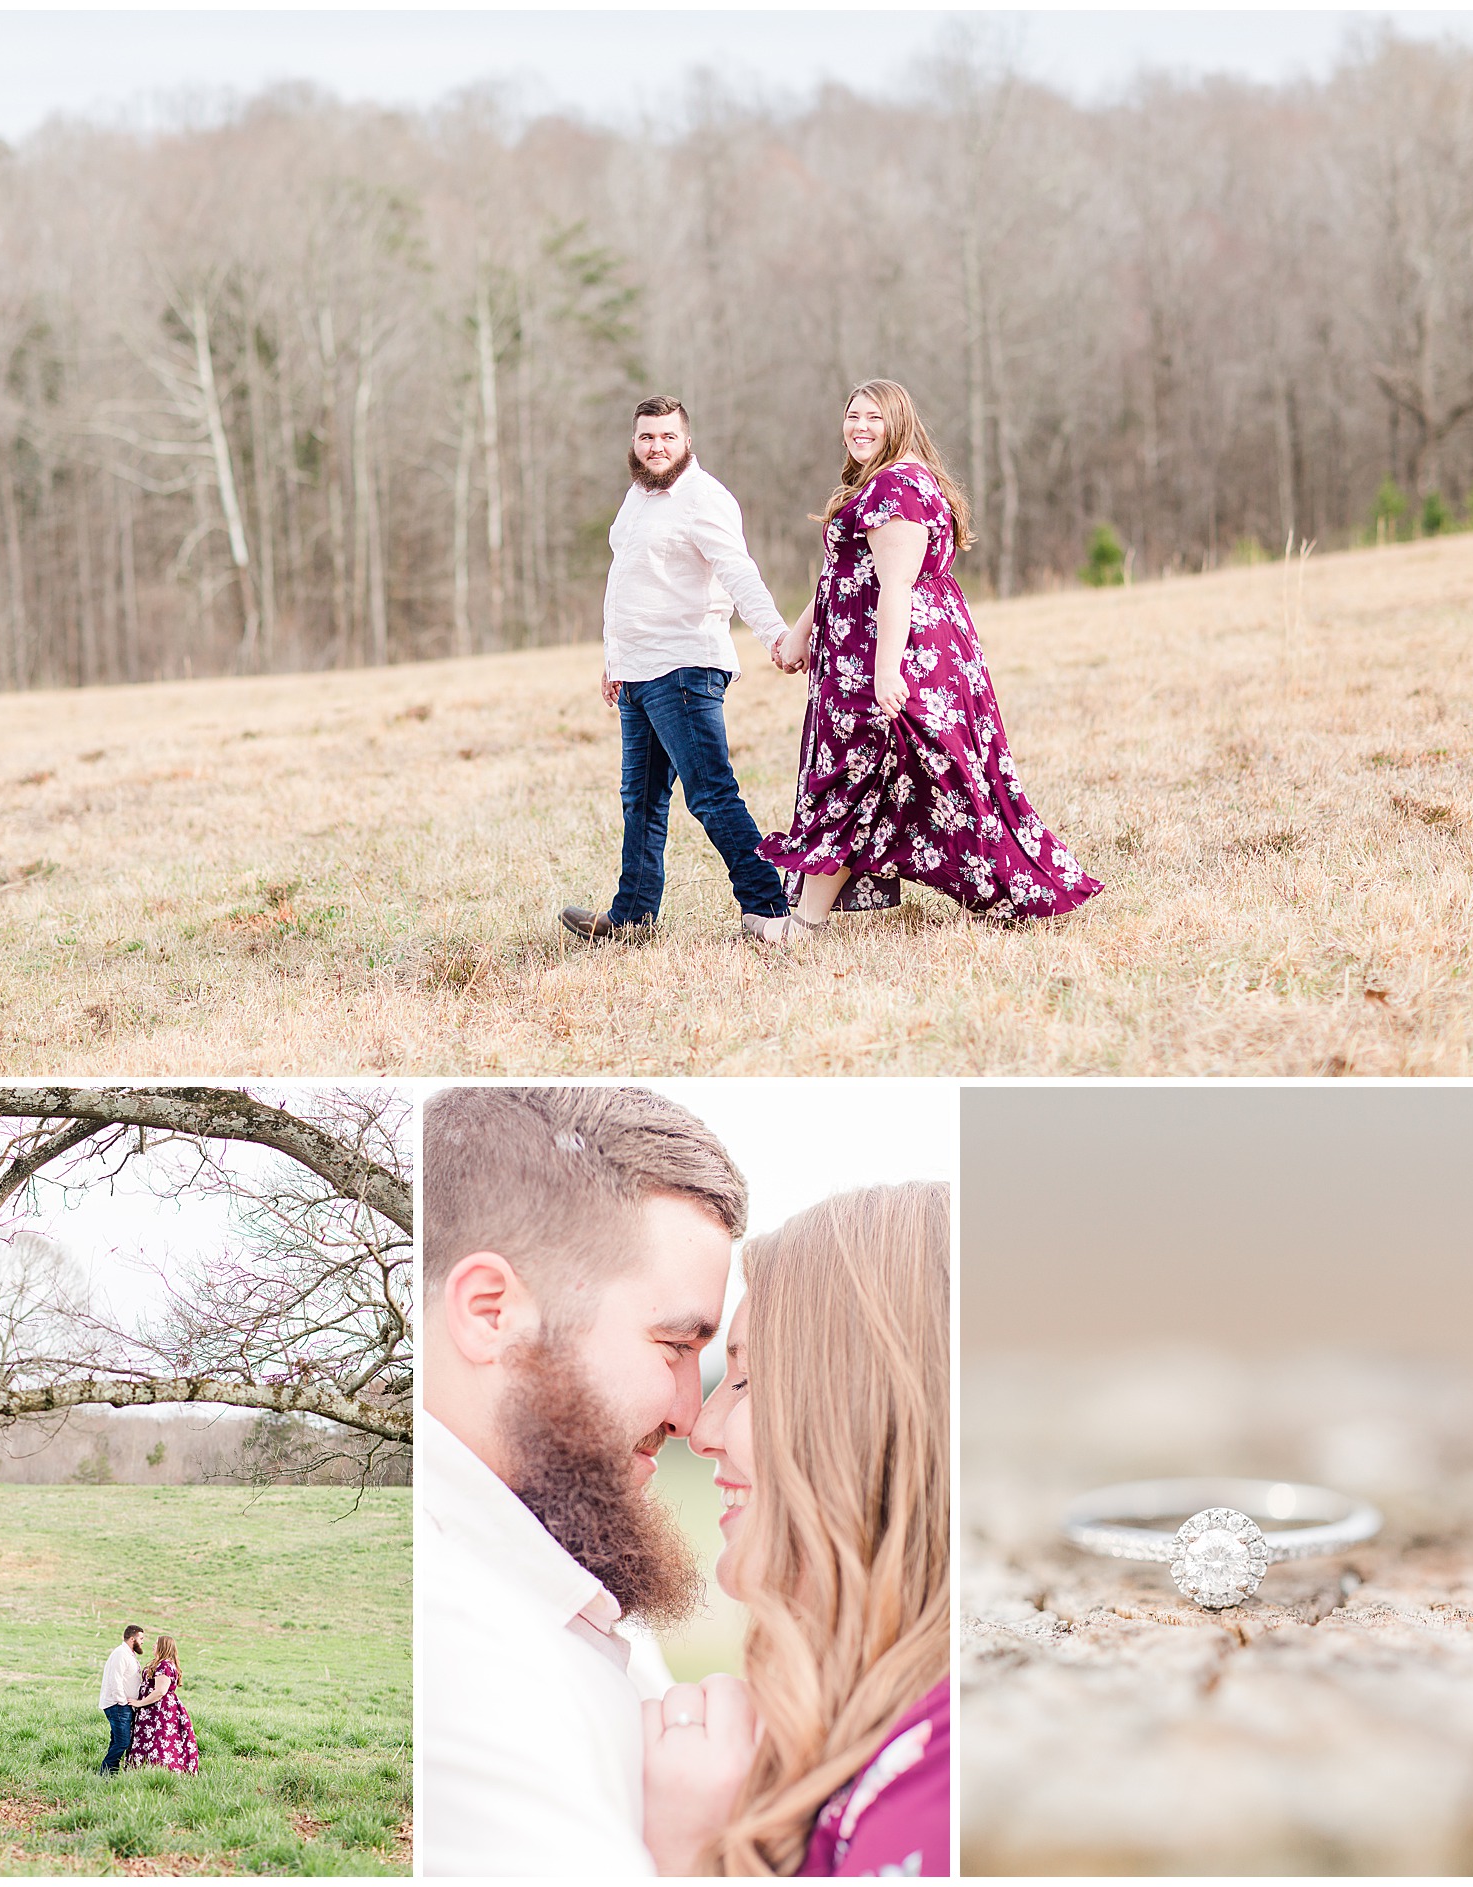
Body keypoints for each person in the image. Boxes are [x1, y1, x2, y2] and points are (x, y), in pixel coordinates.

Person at [422, 1085, 748, 1877]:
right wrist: (689, 1858)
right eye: (674, 1345)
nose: (688, 1416)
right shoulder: (463, 1666)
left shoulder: (560, 1574)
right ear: (492, 1311)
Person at [641, 1183, 950, 1877]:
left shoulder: (939, 1788)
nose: (701, 1428)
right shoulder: (865, 1725)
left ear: (868, 1409)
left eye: (746, 1381)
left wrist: (689, 1860)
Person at [758, 379, 1102, 935]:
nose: (860, 427)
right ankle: (808, 920)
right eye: (852, 416)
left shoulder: (897, 486)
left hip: (892, 657)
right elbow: (845, 576)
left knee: (878, 778)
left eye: (874, 417)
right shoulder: (878, 483)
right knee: (880, 780)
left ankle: (808, 921)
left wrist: (886, 671)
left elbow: (895, 587)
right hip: (863, 654)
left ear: (899, 422)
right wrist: (802, 633)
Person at [560, 396, 797, 945]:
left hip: (685, 667)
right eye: (647, 437)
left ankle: (769, 910)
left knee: (711, 793)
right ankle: (633, 920)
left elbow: (738, 571)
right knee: (640, 800)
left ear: (687, 441)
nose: (656, 446)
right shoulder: (637, 496)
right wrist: (613, 660)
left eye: (667, 436)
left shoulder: (703, 498)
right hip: (639, 671)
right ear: (634, 442)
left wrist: (775, 635)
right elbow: (625, 582)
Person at [125, 1632, 200, 1774]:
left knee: (160, 1740)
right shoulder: (160, 1664)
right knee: (152, 1739)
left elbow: (160, 1691)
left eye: (156, 1643)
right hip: (152, 1710)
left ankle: (160, 1772)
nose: (153, 1645)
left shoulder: (165, 1665)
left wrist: (139, 1703)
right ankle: (144, 1770)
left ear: (163, 1647)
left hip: (159, 1710)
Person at [98, 1623, 144, 1776]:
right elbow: (115, 1679)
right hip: (118, 1705)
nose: (143, 1642)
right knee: (122, 1742)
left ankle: (111, 1773)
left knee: (117, 1740)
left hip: (123, 1706)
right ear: (132, 1639)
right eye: (141, 1638)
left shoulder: (129, 1654)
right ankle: (104, 1773)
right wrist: (122, 1701)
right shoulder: (120, 1654)